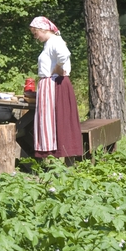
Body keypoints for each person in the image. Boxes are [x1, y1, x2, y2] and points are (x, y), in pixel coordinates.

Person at [29, 17, 83, 159]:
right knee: (51, 120)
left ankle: (61, 155)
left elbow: (64, 55)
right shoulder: (49, 43)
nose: (35, 37)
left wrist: (58, 68)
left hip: (54, 84)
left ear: (43, 30)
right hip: (50, 83)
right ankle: (53, 155)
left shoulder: (54, 41)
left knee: (57, 118)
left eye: (36, 33)